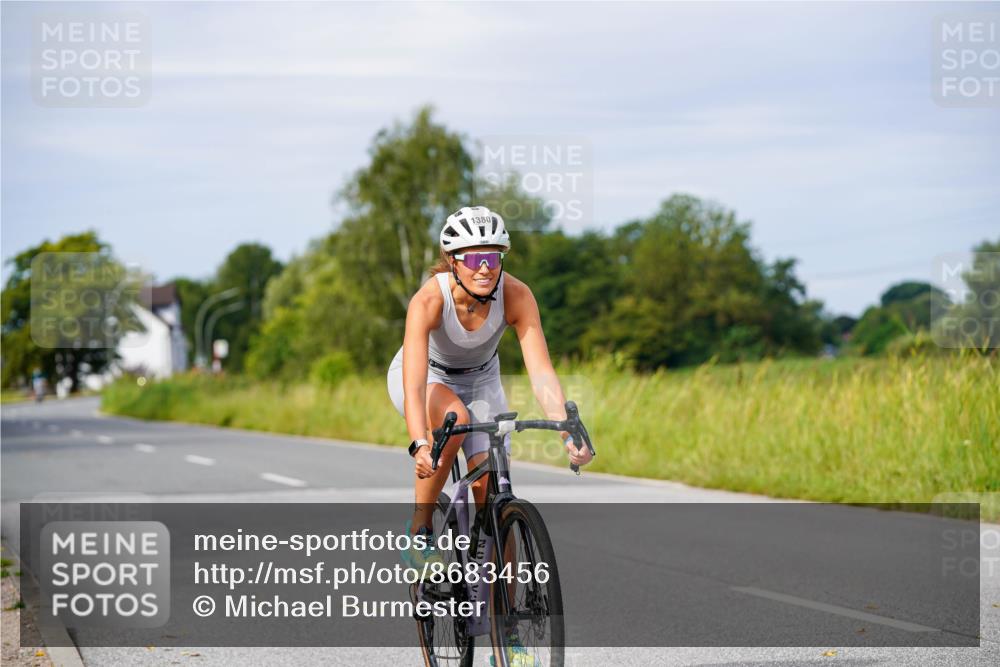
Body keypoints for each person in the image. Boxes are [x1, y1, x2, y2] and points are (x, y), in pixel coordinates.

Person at [387, 205, 590, 666]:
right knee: (453, 421)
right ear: (451, 260)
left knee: (496, 489)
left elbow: (541, 373)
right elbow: (415, 384)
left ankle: (508, 632)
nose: (484, 267)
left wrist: (566, 431)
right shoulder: (429, 300)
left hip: (482, 379)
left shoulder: (516, 295)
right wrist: (421, 441)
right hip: (428, 380)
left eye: (492, 257)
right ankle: (419, 533)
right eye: (473, 257)